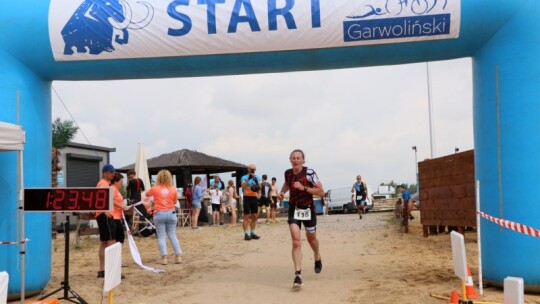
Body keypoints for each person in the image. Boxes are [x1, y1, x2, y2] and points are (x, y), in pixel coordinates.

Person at [278, 149, 324, 288]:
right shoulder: (288, 173)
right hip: (294, 208)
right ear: (290, 160)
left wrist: (304, 188)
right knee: (296, 241)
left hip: (308, 208)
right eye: (293, 158)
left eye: (298, 158)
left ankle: (317, 256)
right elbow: (287, 183)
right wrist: (282, 192)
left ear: (303, 160)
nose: (296, 160)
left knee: (311, 239)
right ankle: (298, 275)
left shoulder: (309, 173)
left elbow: (321, 192)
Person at [145, 170, 182, 265]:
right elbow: (174, 202)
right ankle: (178, 256)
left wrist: (155, 199)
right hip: (171, 213)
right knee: (172, 235)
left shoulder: (155, 188)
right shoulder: (173, 189)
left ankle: (164, 258)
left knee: (161, 237)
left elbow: (146, 194)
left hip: (159, 213)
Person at [95, 164, 120, 278]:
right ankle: (112, 270)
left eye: (113, 172)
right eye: (111, 172)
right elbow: (101, 198)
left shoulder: (104, 184)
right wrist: (105, 211)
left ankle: (103, 270)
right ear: (105, 172)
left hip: (102, 215)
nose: (113, 174)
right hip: (105, 215)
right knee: (111, 242)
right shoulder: (103, 184)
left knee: (104, 242)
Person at [240, 164, 261, 241]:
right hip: (247, 197)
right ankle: (246, 234)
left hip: (254, 197)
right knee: (246, 216)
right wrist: (249, 179)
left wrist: (256, 181)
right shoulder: (244, 177)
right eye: (251, 169)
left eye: (254, 169)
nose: (253, 170)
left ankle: (252, 232)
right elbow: (243, 186)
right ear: (248, 169)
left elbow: (260, 188)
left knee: (255, 216)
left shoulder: (257, 177)